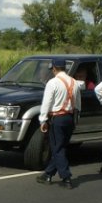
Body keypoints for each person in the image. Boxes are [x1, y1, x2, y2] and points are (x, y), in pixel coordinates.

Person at [36, 58, 82, 189]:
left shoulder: (53, 82)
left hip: (58, 118)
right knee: (61, 147)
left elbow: (46, 103)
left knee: (58, 148)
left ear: (54, 68)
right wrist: (76, 119)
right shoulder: (74, 82)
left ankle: (66, 177)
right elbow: (78, 104)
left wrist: (43, 120)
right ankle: (48, 174)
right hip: (70, 118)